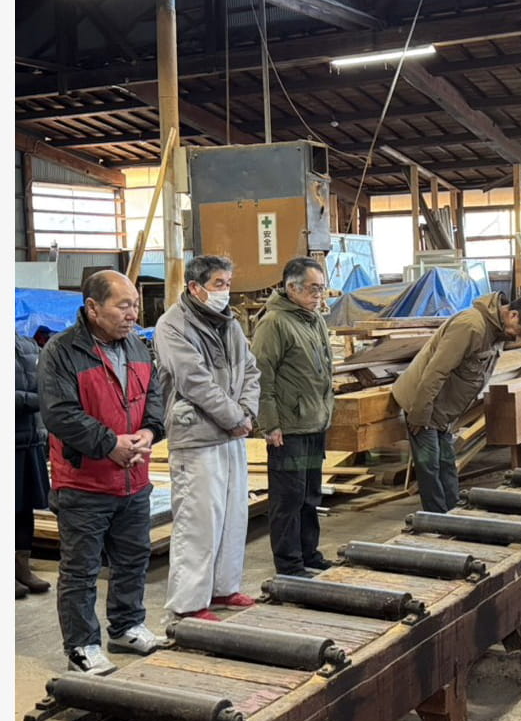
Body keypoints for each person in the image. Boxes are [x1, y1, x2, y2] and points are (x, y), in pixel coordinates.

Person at [38, 270, 169, 675]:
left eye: (135, 305)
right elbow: (59, 414)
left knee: (133, 558)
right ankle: (82, 645)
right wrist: (110, 444)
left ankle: (127, 625)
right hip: (84, 483)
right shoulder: (61, 352)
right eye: (124, 305)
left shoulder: (138, 347)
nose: (134, 314)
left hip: (133, 477)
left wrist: (149, 431)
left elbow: (155, 399)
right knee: (82, 569)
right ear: (93, 308)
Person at [154, 255, 261, 622]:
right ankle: (188, 602)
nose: (224, 291)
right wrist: (234, 417)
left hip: (232, 434)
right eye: (218, 284)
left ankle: (223, 588)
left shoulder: (229, 324)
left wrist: (247, 413)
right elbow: (193, 381)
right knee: (199, 520)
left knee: (233, 514)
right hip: (197, 435)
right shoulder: (172, 326)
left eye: (228, 283)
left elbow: (250, 368)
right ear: (195, 287)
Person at [391, 292, 521, 513]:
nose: (519, 337)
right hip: (423, 403)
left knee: (446, 463)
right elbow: (435, 372)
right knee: (429, 466)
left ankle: (454, 513)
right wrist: (419, 414)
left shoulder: (497, 334)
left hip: (443, 410)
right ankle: (436, 521)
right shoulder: (471, 326)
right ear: (513, 314)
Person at [251, 257, 335, 576]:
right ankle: (289, 563)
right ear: (292, 288)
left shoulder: (315, 320)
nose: (319, 296)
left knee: (310, 494)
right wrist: (269, 424)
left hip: (314, 423)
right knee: (289, 496)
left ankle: (308, 552)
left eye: (322, 289)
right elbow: (262, 374)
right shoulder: (274, 323)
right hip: (289, 429)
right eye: (314, 289)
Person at [16, 332, 52, 599]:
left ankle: (22, 567)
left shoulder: (26, 343)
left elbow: (44, 383)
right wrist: (38, 401)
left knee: (24, 508)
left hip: (31, 440)